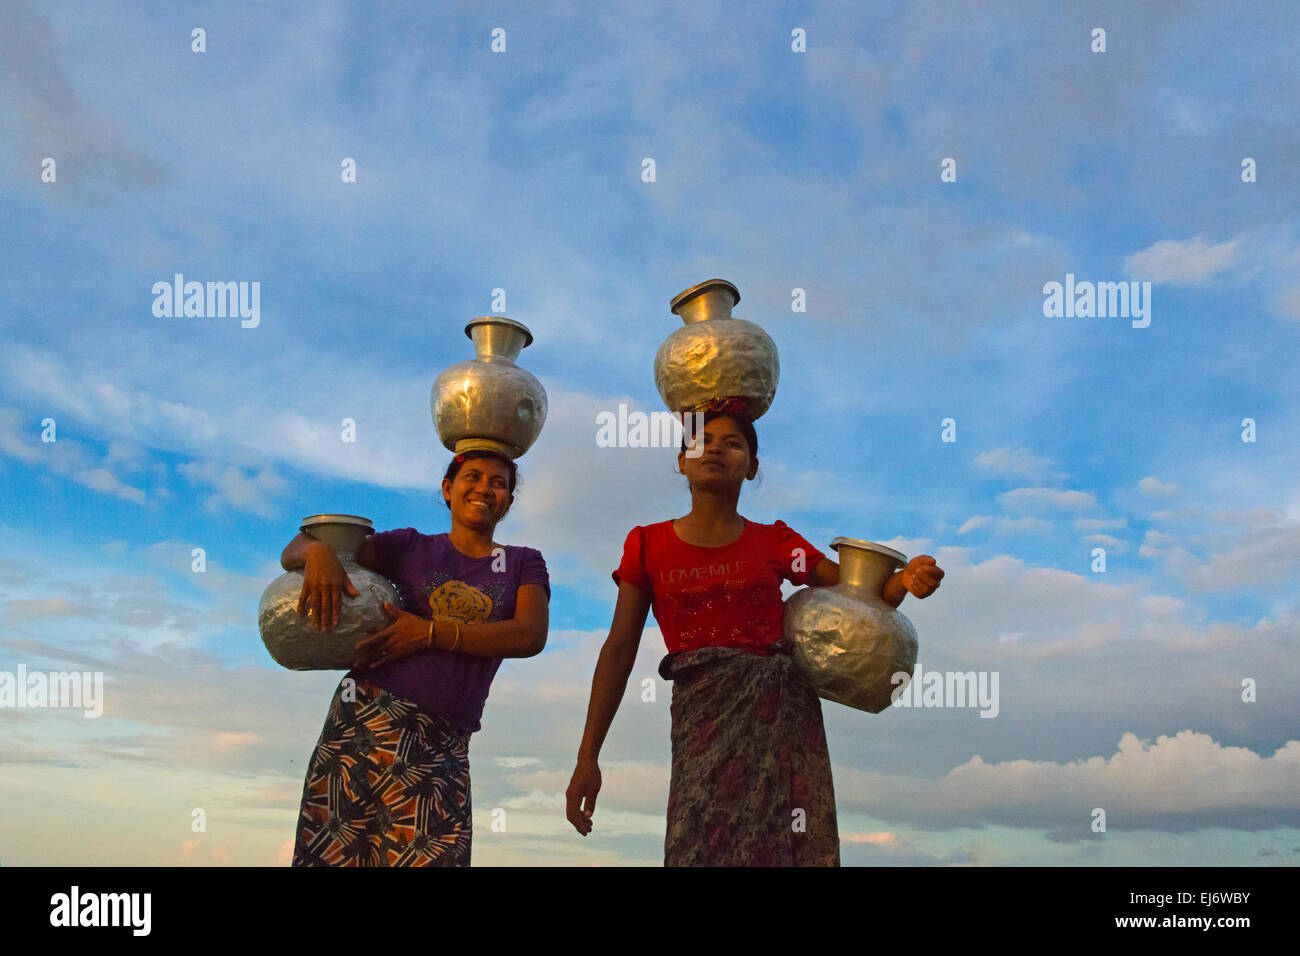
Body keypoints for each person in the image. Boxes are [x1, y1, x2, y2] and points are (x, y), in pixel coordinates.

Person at [564, 401, 943, 866]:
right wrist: (588, 757)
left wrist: (905, 580)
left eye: (733, 443)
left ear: (752, 466)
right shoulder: (647, 545)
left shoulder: (776, 543)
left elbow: (859, 597)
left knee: (787, 847)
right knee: (697, 844)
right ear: (682, 461)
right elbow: (619, 649)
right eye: (702, 441)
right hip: (702, 723)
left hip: (781, 722)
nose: (715, 450)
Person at [281, 449, 550, 866]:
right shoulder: (409, 546)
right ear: (448, 489)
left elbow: (529, 635)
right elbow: (298, 546)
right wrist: (319, 555)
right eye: (472, 477)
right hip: (363, 722)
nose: (484, 488)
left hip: (442, 739)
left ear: (509, 501)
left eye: (499, 483)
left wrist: (428, 633)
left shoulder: (521, 563)